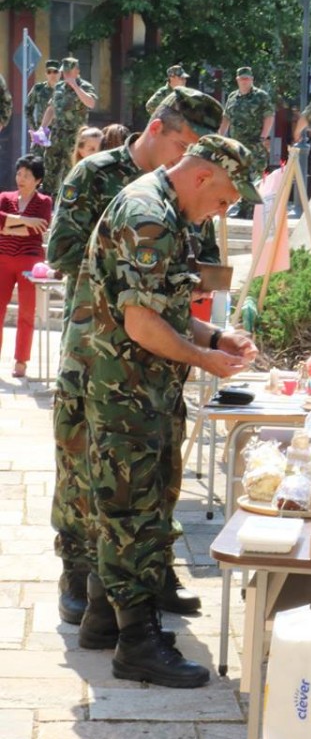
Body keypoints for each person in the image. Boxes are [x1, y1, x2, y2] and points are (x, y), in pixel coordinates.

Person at [78, 135, 261, 687]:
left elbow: (165, 307)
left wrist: (215, 336)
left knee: (139, 502)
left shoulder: (167, 210)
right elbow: (140, 325)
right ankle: (137, 643)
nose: (223, 211)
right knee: (134, 512)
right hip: (127, 392)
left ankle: (103, 617)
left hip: (144, 390)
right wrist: (206, 357)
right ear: (203, 176)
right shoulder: (149, 216)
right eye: (226, 199)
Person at [47, 87, 224, 627]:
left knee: (156, 464)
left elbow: (203, 258)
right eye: (186, 145)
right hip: (96, 346)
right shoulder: (96, 174)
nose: (191, 159)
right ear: (158, 129)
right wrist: (126, 273)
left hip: (157, 349)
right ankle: (79, 573)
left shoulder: (186, 187)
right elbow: (61, 251)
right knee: (84, 465)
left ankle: (149, 570)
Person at [0, 155, 53, 378]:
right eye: (19, 173)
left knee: (26, 312)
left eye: (27, 175)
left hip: (29, 262)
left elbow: (37, 229)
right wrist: (26, 220)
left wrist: (10, 226)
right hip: (2, 259)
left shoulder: (44, 202)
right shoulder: (5, 197)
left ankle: (21, 361)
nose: (21, 178)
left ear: (38, 180)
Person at [219, 66, 274, 218]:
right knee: (239, 176)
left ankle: (254, 212)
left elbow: (269, 116)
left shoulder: (261, 96)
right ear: (237, 80)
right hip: (237, 146)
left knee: (253, 178)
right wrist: (220, 137)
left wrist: (263, 137)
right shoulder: (232, 97)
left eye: (247, 78)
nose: (245, 81)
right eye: (242, 78)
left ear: (252, 80)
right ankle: (244, 209)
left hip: (255, 145)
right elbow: (226, 119)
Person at [41, 57, 98, 197]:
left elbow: (91, 103)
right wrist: (42, 129)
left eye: (69, 71)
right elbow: (51, 108)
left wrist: (75, 87)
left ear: (77, 71)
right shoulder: (59, 87)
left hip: (75, 136)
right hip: (57, 134)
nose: (65, 75)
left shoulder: (85, 86)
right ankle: (48, 201)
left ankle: (69, 201)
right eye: (64, 72)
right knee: (50, 168)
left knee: (71, 170)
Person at [25, 60, 61, 154]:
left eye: (55, 72)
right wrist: (33, 129)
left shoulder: (64, 90)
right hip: (42, 134)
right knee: (36, 163)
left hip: (59, 134)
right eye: (49, 72)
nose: (52, 74)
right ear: (46, 74)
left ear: (59, 73)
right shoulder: (38, 89)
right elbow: (28, 109)